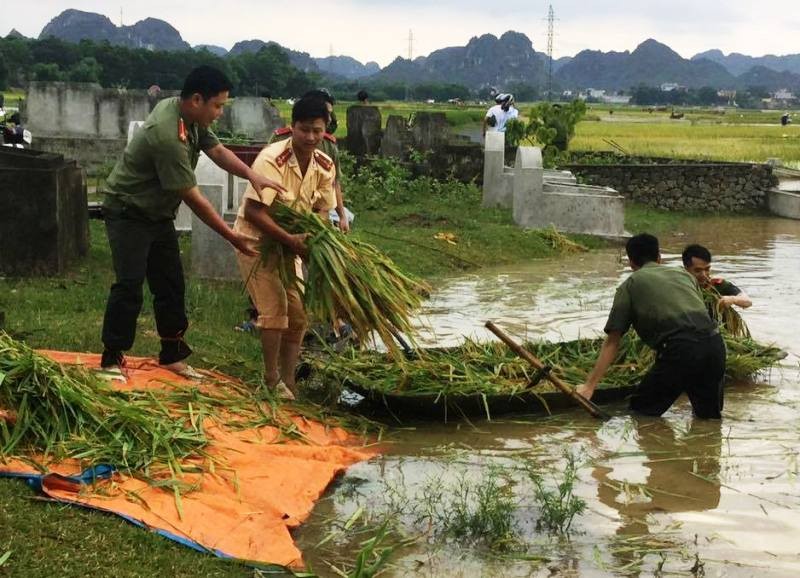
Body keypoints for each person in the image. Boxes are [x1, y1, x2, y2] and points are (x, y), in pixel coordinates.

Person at [99, 65, 286, 378]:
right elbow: (193, 198)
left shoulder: (188, 116)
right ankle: (111, 357)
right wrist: (230, 235)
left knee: (171, 284)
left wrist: (252, 174)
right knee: (129, 284)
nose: (220, 113)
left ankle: (172, 353)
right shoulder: (167, 134)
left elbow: (217, 150)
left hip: (157, 213)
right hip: (128, 211)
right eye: (218, 106)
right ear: (197, 100)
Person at [232, 96, 336, 399]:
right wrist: (291, 240)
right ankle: (271, 379)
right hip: (257, 243)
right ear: (292, 127)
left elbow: (320, 214)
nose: (310, 137)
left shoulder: (324, 165)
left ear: (326, 129)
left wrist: (318, 243)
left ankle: (289, 382)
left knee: (299, 314)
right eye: (304, 130)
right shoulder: (271, 159)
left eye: (317, 131)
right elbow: (253, 212)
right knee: (275, 309)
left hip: (291, 247)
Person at [577, 233, 726, 419]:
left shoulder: (630, 284)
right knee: (708, 419)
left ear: (631, 263)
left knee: (640, 413)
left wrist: (589, 386)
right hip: (715, 346)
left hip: (681, 351)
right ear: (659, 258)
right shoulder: (684, 275)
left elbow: (613, 341)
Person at [270, 89, 351, 233]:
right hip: (282, 214)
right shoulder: (280, 140)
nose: (330, 118)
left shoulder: (329, 145)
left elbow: (334, 183)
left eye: (330, 114)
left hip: (315, 214)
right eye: (326, 113)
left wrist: (342, 216)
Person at [682, 244, 752, 310]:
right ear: (686, 269)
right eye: (698, 270)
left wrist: (732, 299)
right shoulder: (679, 286)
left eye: (707, 269)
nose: (704, 275)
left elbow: (748, 302)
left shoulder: (717, 284)